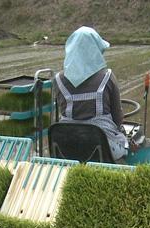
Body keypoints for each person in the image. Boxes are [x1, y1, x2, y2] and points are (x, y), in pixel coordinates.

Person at [53, 26, 127, 160]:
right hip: (103, 149)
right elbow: (118, 118)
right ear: (95, 51)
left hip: (67, 147)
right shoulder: (107, 77)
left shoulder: (58, 80)